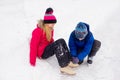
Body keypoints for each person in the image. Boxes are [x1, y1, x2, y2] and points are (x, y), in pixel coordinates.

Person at [29, 7, 79, 75]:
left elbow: (50, 40)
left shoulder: (50, 29)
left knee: (61, 40)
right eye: (52, 23)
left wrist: (55, 45)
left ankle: (68, 61)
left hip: (47, 48)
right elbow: (33, 45)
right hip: (42, 53)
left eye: (54, 23)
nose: (53, 24)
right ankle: (63, 66)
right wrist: (32, 61)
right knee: (57, 44)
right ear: (46, 23)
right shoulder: (37, 31)